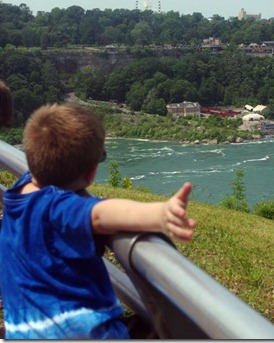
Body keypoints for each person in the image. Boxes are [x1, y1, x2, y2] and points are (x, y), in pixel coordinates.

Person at [0, 103, 196, 339]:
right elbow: (103, 213)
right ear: (91, 173)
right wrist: (160, 214)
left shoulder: (16, 195)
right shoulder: (57, 208)